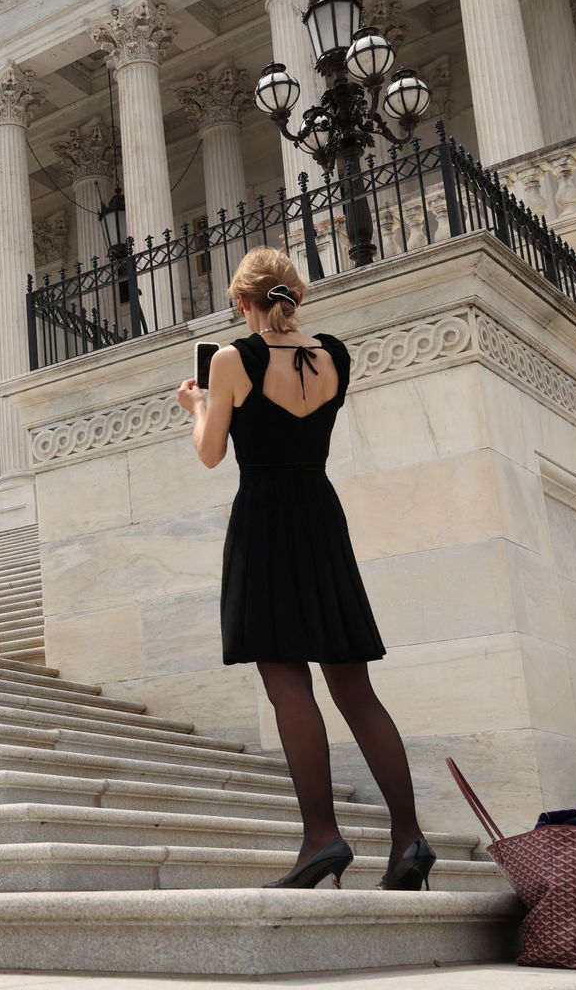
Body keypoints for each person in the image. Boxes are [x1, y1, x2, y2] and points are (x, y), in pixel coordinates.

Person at [174, 247, 434, 892]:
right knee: (355, 686)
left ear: (242, 303)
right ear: (298, 297)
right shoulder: (335, 356)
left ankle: (322, 837)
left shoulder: (234, 358)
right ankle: (409, 838)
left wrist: (197, 405)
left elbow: (210, 455)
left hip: (264, 518)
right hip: (321, 515)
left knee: (288, 681)